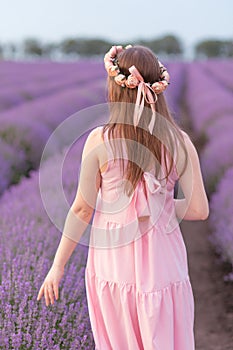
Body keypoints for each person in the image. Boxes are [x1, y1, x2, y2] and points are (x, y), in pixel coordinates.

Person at [37, 45, 209, 349]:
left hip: (113, 265)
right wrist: (162, 205)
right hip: (164, 264)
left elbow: (81, 210)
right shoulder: (180, 141)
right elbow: (198, 210)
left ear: (115, 87)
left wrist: (58, 266)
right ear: (159, 86)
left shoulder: (100, 140)